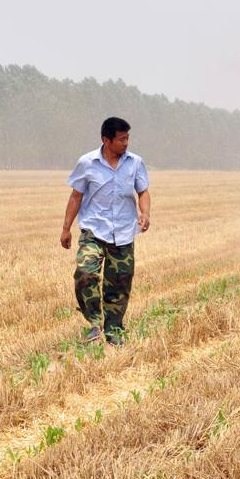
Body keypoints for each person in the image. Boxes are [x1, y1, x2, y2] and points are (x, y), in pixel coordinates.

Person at [60, 117, 150, 345]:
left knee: (119, 283)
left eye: (127, 138)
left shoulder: (135, 163)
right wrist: (66, 228)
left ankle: (114, 330)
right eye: (121, 139)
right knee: (85, 274)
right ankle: (94, 323)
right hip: (94, 230)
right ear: (106, 140)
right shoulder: (87, 163)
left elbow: (143, 192)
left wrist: (145, 213)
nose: (126, 143)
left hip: (123, 232)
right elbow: (76, 196)